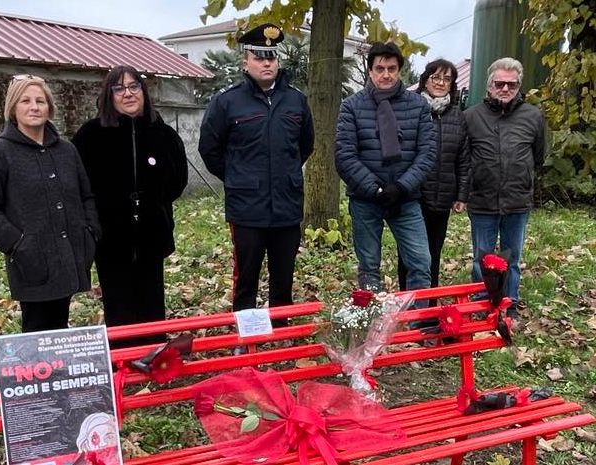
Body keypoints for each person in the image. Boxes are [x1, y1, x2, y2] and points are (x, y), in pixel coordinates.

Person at [199, 23, 314, 322]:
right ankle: (247, 335)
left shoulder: (296, 100)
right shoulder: (226, 102)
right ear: (245, 61)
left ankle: (281, 328)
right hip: (247, 208)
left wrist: (283, 175)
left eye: (271, 57)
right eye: (259, 56)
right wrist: (238, 177)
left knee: (284, 276)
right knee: (246, 279)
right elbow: (210, 150)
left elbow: (305, 145)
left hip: (287, 205)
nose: (266, 62)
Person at [72, 66, 188, 346]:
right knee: (118, 302)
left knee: (151, 299)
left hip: (151, 233)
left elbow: (178, 180)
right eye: (119, 88)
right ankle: (122, 359)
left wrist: (155, 204)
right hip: (111, 237)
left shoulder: (163, 134)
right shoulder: (90, 135)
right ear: (109, 95)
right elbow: (78, 184)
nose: (128, 94)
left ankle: (153, 356)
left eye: (134, 87)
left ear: (144, 92)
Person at [0, 75, 100, 333]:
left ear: (49, 108)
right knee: (38, 333)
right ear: (13, 108)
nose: (34, 107)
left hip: (70, 255)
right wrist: (17, 243)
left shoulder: (66, 151)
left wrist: (91, 234)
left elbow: (86, 196)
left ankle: (62, 373)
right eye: (26, 101)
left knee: (60, 328)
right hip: (32, 260)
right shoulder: (0, 152)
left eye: (40, 101)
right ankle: (42, 374)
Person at [334, 42, 435, 301]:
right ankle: (374, 328)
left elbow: (427, 154)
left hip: (406, 198)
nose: (386, 74)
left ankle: (418, 323)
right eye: (379, 68)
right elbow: (345, 156)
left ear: (400, 70)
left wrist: (401, 187)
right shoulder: (351, 106)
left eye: (391, 68)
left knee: (421, 262)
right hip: (366, 199)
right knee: (369, 266)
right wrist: (375, 189)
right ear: (370, 71)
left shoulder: (419, 106)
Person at [465, 57, 546, 315]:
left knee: (512, 259)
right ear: (489, 86)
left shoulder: (533, 116)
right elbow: (464, 158)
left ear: (518, 86)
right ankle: (482, 306)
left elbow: (539, 156)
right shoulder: (471, 117)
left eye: (511, 85)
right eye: (499, 83)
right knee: (482, 259)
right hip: (483, 200)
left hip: (517, 201)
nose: (505, 89)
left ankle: (508, 306)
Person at [397, 59, 470, 306]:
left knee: (433, 254)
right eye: (436, 77)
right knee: (409, 253)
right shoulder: (412, 109)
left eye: (446, 79)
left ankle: (428, 304)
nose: (440, 83)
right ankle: (406, 302)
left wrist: (461, 195)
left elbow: (463, 159)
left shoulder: (458, 117)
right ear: (425, 79)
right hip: (413, 195)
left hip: (442, 195)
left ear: (452, 85)